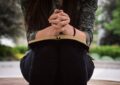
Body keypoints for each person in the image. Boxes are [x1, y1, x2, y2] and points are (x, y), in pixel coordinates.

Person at [20, 0, 98, 85]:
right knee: (47, 49)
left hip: (77, 60)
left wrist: (69, 30)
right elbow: (30, 38)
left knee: (69, 48)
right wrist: (52, 30)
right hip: (36, 59)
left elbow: (87, 38)